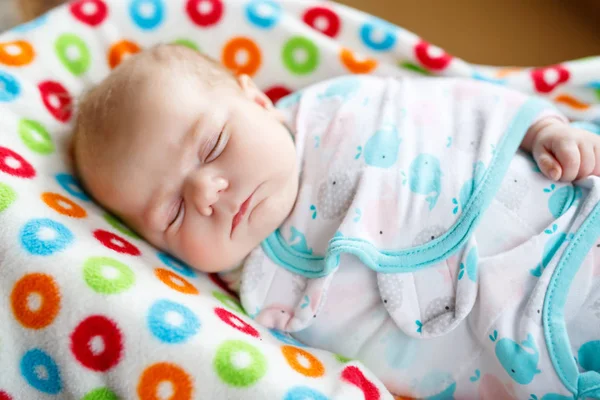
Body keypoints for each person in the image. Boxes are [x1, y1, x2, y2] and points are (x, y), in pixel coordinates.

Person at [71, 43, 600, 398]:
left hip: (572, 216)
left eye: (213, 145)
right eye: (174, 211)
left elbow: (458, 104)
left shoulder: (346, 108)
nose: (208, 193)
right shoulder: (262, 304)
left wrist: (542, 130)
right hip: (535, 364)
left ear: (256, 100)